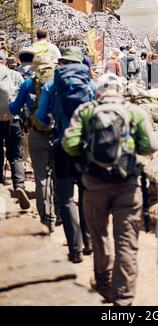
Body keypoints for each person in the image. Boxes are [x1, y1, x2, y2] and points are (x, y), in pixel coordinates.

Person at [62, 73, 158, 306]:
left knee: (100, 236)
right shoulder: (134, 111)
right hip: (127, 185)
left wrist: (88, 156)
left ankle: (104, 284)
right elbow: (152, 146)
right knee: (126, 241)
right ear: (121, 89)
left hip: (93, 185)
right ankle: (123, 299)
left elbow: (69, 143)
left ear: (98, 91)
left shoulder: (86, 110)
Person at [36, 47, 93, 262]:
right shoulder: (90, 84)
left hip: (61, 145)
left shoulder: (52, 84)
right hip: (86, 146)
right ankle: (89, 241)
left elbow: (41, 116)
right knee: (86, 194)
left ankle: (75, 249)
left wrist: (54, 121)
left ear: (61, 62)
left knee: (67, 198)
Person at [9, 54, 57, 231]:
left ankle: (47, 219)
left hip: (37, 133)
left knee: (41, 178)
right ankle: (60, 213)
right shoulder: (60, 82)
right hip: (59, 134)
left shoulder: (28, 83)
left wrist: (11, 102)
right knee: (59, 175)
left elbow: (14, 108)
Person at [0, 51, 30, 209]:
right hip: (13, 119)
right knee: (16, 156)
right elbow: (24, 99)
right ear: (5, 60)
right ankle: (19, 186)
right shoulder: (15, 75)